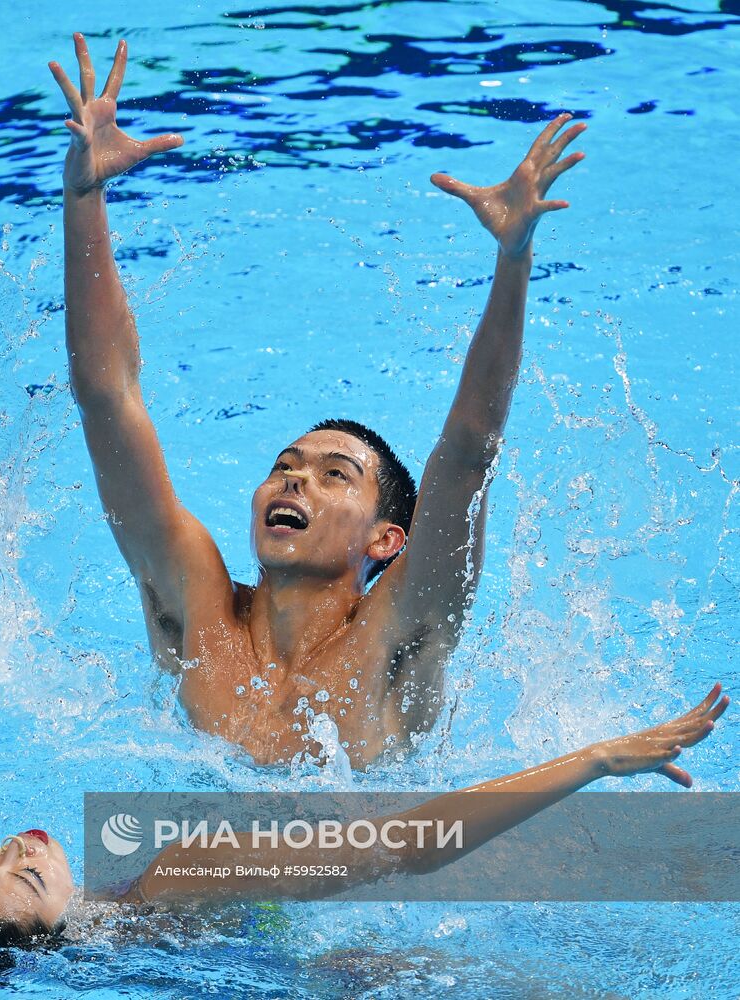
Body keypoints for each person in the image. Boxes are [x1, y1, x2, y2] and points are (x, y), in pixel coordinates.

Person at [49, 34, 587, 767]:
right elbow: (107, 399)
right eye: (287, 465)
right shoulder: (196, 602)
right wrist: (84, 197)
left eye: (337, 474)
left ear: (386, 541)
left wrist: (512, 259)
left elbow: (467, 454)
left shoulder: (401, 630)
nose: (295, 478)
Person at [0, 683, 728, 952]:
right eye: (26, 873)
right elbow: (410, 847)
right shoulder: (182, 874)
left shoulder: (101, 949)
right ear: (59, 922)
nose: (14, 846)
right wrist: (590, 761)